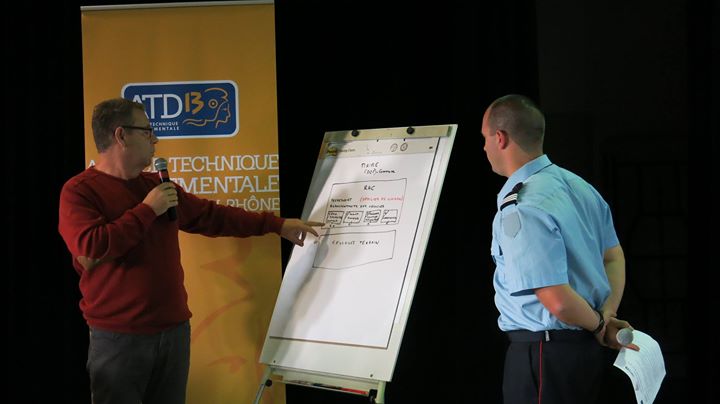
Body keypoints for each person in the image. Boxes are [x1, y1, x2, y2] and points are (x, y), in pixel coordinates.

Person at [58, 97, 322, 404]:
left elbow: (212, 216)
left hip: (174, 332)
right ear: (121, 135)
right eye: (147, 131)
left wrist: (277, 225)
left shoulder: (157, 186)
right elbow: (92, 247)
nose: (155, 139)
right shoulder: (80, 191)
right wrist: (147, 210)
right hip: (119, 339)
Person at [482, 94, 639, 404]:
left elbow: (556, 299)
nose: (484, 148)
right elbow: (613, 257)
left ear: (500, 138)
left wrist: (600, 325)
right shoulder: (581, 187)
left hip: (544, 356)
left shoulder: (523, 205)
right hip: (585, 353)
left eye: (484, 138)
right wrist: (607, 315)